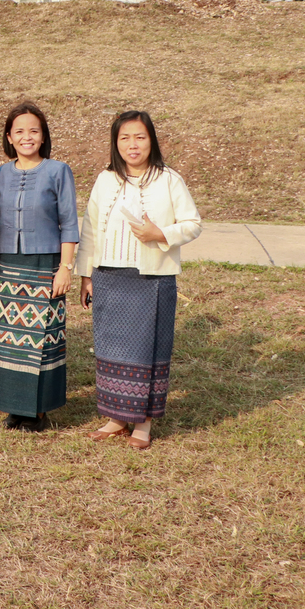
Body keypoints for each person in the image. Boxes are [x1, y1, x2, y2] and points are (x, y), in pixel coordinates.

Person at [77, 111, 201, 451]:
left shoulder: (169, 179)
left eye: (140, 137)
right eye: (125, 138)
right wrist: (86, 275)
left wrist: (159, 233)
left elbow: (193, 223)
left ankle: (142, 424)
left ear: (152, 140)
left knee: (147, 351)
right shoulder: (105, 179)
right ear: (115, 143)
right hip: (109, 278)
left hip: (152, 280)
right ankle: (116, 418)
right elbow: (89, 228)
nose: (133, 145)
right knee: (110, 349)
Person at [0, 102, 79, 432]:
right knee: (11, 339)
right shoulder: (0, 175)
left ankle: (38, 411)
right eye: (19, 131)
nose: (27, 137)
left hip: (45, 266)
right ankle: (14, 407)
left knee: (43, 338)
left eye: (34, 130)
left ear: (44, 135)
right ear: (9, 137)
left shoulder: (58, 170)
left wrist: (65, 268)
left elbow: (69, 224)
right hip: (8, 267)